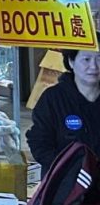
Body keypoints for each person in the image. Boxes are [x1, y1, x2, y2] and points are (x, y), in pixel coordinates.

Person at [27, 38, 100, 173]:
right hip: (65, 185)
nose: (94, 66)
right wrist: (66, 169)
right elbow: (39, 142)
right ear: (71, 62)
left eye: (99, 59)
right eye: (86, 59)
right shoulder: (53, 99)